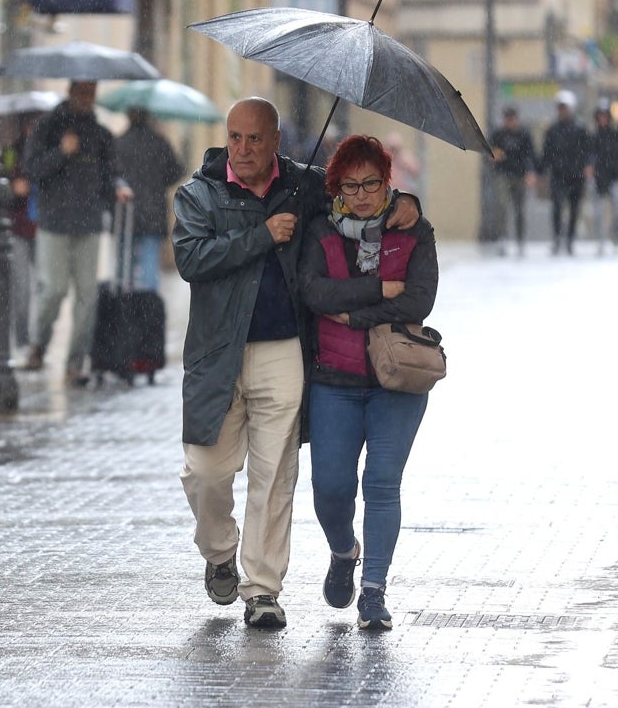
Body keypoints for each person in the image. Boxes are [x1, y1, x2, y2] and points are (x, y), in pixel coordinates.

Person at [171, 97, 419, 629]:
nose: (242, 149)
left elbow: (361, 201)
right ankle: (219, 552)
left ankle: (262, 590)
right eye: (234, 137)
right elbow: (192, 259)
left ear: (276, 141)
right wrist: (262, 236)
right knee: (206, 471)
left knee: (274, 472)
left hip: (283, 348)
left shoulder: (306, 187)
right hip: (217, 351)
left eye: (254, 139)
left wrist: (407, 206)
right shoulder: (200, 192)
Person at [298, 134, 437, 630]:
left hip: (396, 380)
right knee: (330, 489)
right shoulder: (319, 231)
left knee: (381, 483)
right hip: (334, 380)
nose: (361, 194)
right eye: (350, 185)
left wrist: (353, 315)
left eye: (371, 183)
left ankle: (374, 591)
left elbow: (418, 300)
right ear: (335, 186)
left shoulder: (415, 231)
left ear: (387, 182)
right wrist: (380, 289)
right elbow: (314, 291)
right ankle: (343, 550)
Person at [21, 80, 133, 385]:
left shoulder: (100, 133)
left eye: (91, 94)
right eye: (82, 93)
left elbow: (113, 171)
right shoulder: (46, 127)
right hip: (54, 222)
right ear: (71, 92)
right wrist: (61, 152)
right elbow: (31, 169)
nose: (87, 99)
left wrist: (120, 187)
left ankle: (75, 361)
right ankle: (38, 345)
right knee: (54, 290)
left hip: (89, 222)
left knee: (87, 297)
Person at [111, 108, 184, 291]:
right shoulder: (159, 143)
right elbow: (176, 172)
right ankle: (148, 312)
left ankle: (123, 307)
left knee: (123, 268)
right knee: (149, 267)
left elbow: (110, 176)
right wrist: (157, 182)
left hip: (125, 214)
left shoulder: (118, 143)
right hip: (153, 213)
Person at [539, 90, 590, 255]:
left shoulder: (580, 129)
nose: (562, 111)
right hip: (558, 174)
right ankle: (557, 238)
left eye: (565, 108)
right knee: (557, 206)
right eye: (560, 108)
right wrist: (541, 171)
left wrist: (587, 166)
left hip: (576, 175)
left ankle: (570, 239)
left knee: (574, 209)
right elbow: (546, 152)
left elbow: (587, 151)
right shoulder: (552, 130)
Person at [5, 114, 39, 348]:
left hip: (42, 227)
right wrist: (12, 188)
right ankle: (23, 338)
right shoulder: (10, 153)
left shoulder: (48, 150)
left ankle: (38, 339)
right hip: (18, 227)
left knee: (45, 288)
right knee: (22, 287)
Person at [487, 107, 538, 256]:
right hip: (503, 174)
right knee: (502, 206)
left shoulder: (524, 134)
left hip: (520, 175)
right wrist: (492, 157)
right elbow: (489, 153)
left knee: (519, 208)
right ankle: (502, 237)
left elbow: (531, 155)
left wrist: (530, 172)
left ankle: (520, 239)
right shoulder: (498, 135)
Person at [589, 102, 618, 255]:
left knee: (617, 210)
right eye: (600, 116)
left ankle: (615, 238)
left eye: (605, 116)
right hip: (599, 179)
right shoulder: (593, 137)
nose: (602, 119)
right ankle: (600, 241)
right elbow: (589, 157)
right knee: (598, 213)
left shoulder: (615, 135)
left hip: (614, 177)